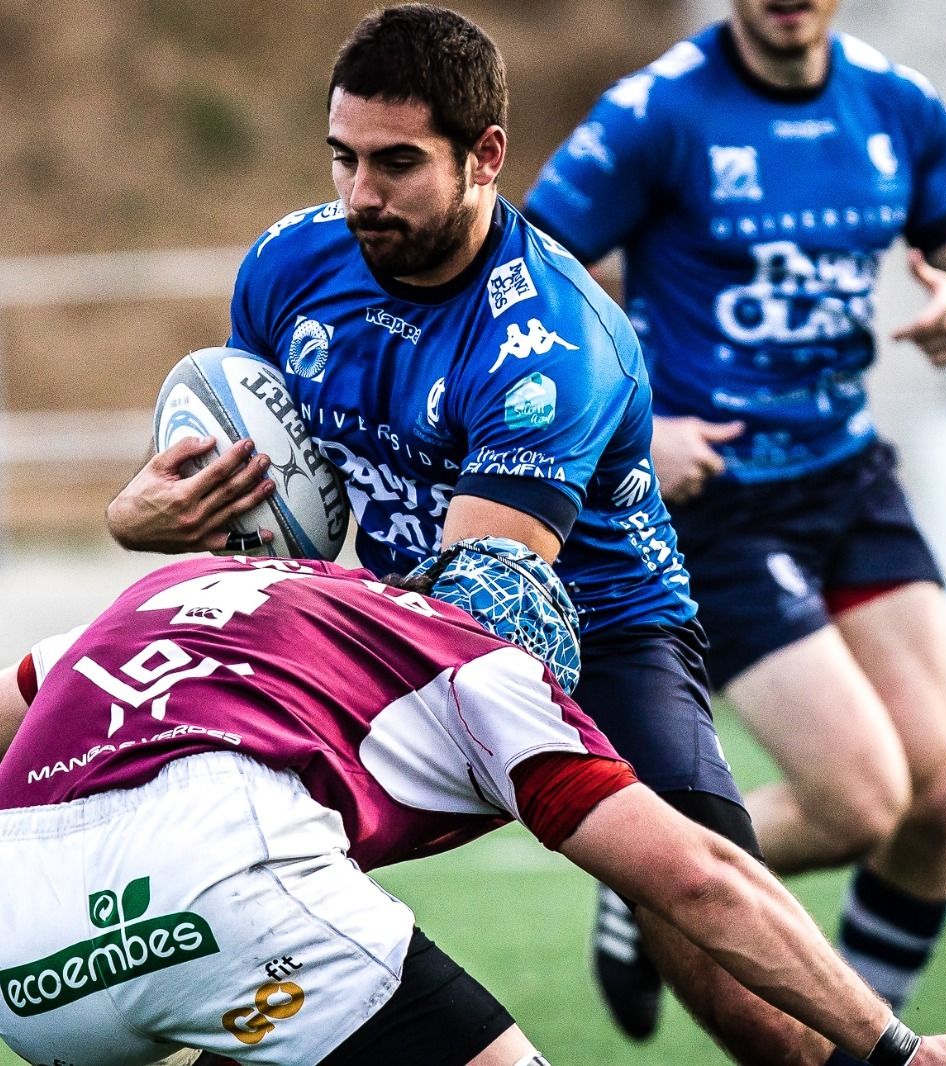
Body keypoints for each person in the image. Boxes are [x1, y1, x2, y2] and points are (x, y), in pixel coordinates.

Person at [104, 5, 831, 1063]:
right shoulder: (288, 267)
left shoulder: (553, 342)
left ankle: (671, 902)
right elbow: (260, 501)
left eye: (396, 164)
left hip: (595, 635)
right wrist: (141, 520)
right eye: (342, 159)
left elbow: (484, 611)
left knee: (743, 983)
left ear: (485, 155)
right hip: (394, 624)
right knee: (235, 880)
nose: (359, 194)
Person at [0, 538, 946, 1066]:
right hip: (217, 879)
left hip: (11, 963)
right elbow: (698, 877)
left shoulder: (193, 589)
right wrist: (894, 1049)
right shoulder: (495, 672)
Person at [523, 0, 946, 1044]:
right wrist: (630, 425)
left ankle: (812, 993)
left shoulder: (897, 106)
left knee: (935, 801)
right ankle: (658, 869)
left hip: (850, 482)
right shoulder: (655, 113)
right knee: (859, 800)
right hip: (718, 503)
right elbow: (519, 282)